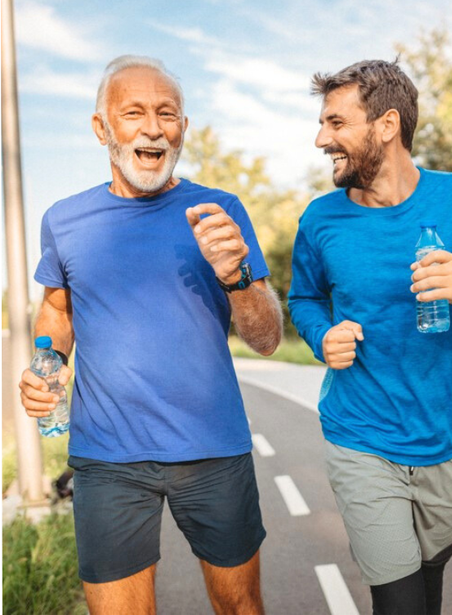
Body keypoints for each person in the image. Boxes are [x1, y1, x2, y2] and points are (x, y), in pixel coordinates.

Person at [19, 55, 283, 615]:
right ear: (102, 129)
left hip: (213, 448)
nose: (153, 126)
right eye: (133, 112)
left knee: (241, 608)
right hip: (107, 457)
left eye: (168, 113)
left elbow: (266, 338)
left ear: (183, 129)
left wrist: (235, 276)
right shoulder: (64, 220)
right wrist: (47, 366)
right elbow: (56, 313)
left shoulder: (220, 212)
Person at [288, 59, 452, 615]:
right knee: (398, 601)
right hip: (360, 435)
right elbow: (303, 299)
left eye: (335, 123)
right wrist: (321, 335)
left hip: (445, 438)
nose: (320, 138)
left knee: (428, 582)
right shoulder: (320, 219)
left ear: (386, 125)